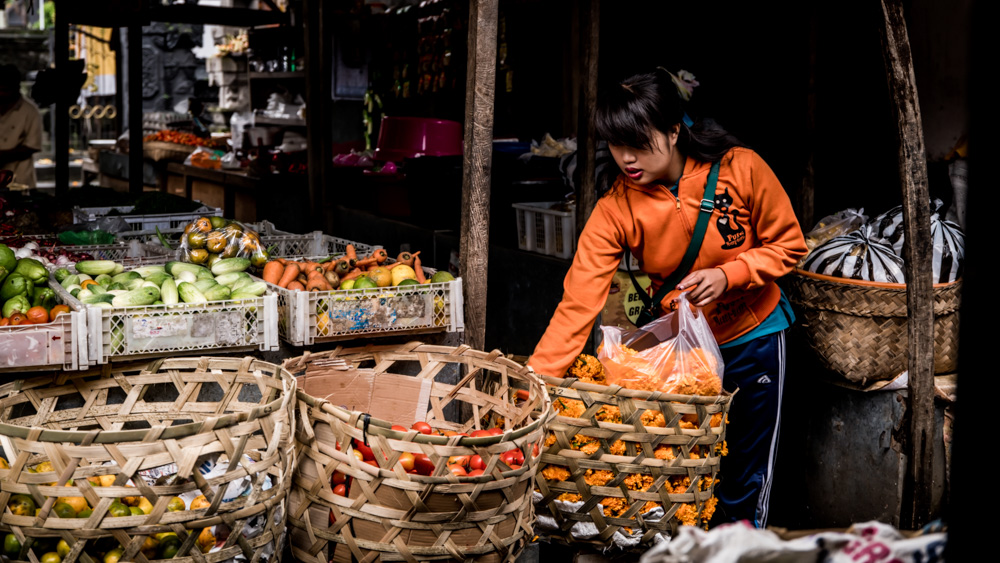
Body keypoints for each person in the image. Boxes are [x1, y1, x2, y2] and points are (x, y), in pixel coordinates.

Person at [528, 67, 807, 528]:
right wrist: (536, 382)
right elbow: (578, 303)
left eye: (639, 143)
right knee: (686, 477)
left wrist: (731, 273)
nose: (626, 158)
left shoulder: (741, 167)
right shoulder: (616, 208)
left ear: (675, 130)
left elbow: (790, 245)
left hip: (754, 335)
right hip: (685, 356)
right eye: (616, 145)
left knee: (746, 475)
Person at [0, 64, 43, 189]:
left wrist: (3, 156)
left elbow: (32, 146)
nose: (1, 94)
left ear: (16, 88)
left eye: (5, 90)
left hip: (20, 179)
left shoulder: (30, 111)